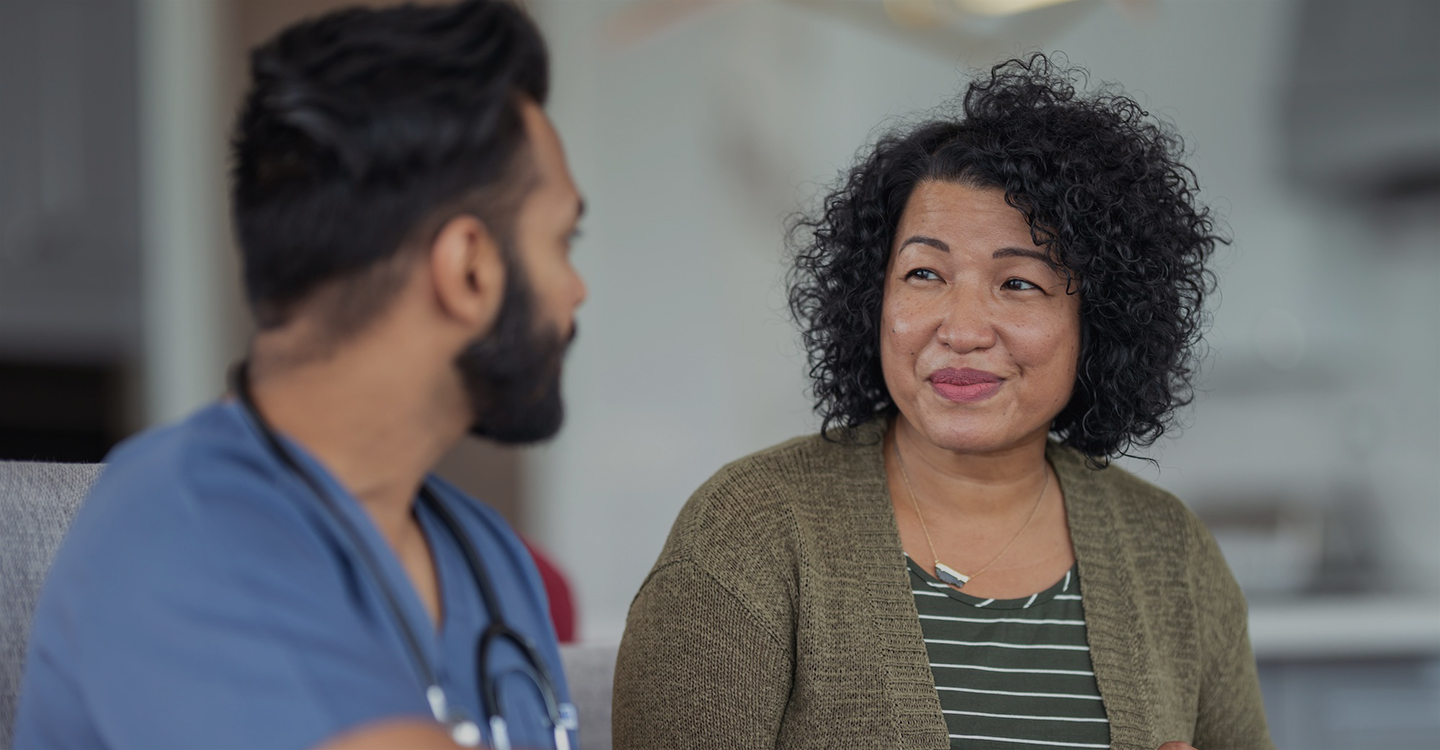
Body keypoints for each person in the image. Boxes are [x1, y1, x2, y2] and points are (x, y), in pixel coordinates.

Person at [613, 55, 1273, 750]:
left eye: (1019, 284)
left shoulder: (1173, 556)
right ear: (874, 297)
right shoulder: (748, 534)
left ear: (1100, 322)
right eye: (924, 273)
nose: (960, 330)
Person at [15, 2, 586, 749]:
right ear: (469, 268)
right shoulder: (178, 524)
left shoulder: (487, 557)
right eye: (563, 240)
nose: (576, 289)